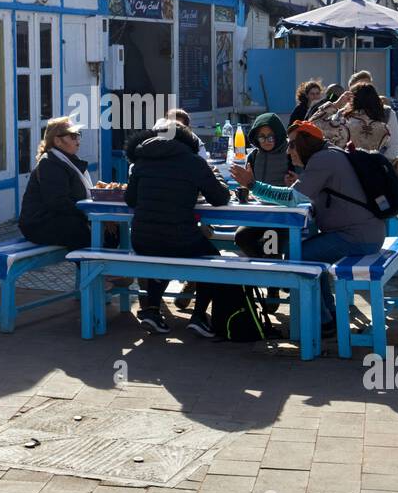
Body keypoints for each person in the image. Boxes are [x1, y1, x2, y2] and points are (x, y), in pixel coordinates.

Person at [230, 121, 384, 337]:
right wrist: (301, 182)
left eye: (292, 145)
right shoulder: (329, 154)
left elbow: (292, 197)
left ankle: (320, 320)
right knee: (309, 254)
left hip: (357, 237)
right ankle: (327, 313)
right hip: (365, 232)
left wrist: (253, 185)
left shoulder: (323, 159)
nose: (289, 150)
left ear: (305, 143)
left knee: (299, 253)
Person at [123, 120, 231, 337]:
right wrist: (215, 178)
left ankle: (152, 311)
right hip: (180, 238)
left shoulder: (142, 161)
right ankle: (199, 316)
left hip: (143, 239)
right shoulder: (193, 162)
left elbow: (130, 199)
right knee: (213, 258)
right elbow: (219, 198)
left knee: (158, 254)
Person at [232, 113, 295, 314]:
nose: (266, 141)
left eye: (270, 136)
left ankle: (273, 289)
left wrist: (293, 182)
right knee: (241, 237)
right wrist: (243, 190)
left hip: (286, 214)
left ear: (278, 135)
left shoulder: (290, 153)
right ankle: (276, 275)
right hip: (259, 211)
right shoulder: (253, 156)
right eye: (261, 137)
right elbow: (248, 181)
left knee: (272, 241)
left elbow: (301, 184)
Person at [18, 117, 95, 250]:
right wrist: (88, 215)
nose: (77, 139)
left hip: (57, 219)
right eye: (72, 136)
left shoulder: (68, 160)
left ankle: (100, 267)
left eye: (78, 135)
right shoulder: (49, 163)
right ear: (57, 141)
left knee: (108, 230)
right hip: (39, 224)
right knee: (86, 232)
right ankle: (91, 269)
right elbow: (57, 202)